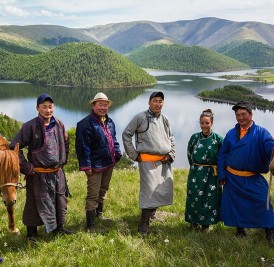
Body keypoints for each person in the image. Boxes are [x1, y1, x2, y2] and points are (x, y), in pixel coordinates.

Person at [10, 93, 73, 242]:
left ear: (54, 107)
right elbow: (14, 147)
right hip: (38, 174)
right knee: (33, 204)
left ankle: (58, 228)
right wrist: (27, 167)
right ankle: (32, 234)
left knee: (59, 201)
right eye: (44, 107)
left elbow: (66, 143)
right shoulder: (30, 126)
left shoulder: (59, 124)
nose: (48, 110)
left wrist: (62, 161)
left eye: (50, 107)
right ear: (37, 108)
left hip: (57, 173)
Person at [217, 101, 274, 245]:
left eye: (243, 114)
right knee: (236, 205)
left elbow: (271, 148)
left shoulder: (262, 133)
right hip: (232, 178)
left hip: (252, 178)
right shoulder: (231, 133)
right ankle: (240, 230)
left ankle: (269, 232)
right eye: (238, 115)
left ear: (250, 114)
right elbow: (222, 155)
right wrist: (222, 174)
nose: (240, 117)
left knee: (264, 201)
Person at [122, 91, 175, 236]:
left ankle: (152, 214)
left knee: (162, 188)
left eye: (160, 101)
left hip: (164, 161)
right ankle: (144, 223)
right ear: (149, 102)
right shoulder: (140, 117)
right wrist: (134, 155)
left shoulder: (164, 118)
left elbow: (171, 137)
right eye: (155, 101)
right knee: (149, 191)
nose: (158, 104)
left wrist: (171, 155)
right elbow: (126, 134)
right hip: (147, 162)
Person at [75, 92, 122, 232]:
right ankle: (90, 225)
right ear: (93, 105)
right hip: (95, 166)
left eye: (105, 105)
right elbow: (82, 148)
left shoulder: (109, 121)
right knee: (93, 194)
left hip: (109, 163)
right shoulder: (85, 124)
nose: (103, 107)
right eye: (100, 104)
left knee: (103, 189)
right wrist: (87, 166)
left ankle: (98, 214)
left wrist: (117, 153)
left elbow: (114, 140)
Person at [185, 109, 223, 233]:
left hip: (212, 174)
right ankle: (193, 223)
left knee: (210, 199)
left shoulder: (218, 139)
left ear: (212, 123)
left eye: (207, 123)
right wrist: (196, 168)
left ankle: (206, 225)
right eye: (202, 123)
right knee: (194, 197)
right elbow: (189, 154)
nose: (204, 126)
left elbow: (223, 157)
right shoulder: (194, 138)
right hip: (196, 173)